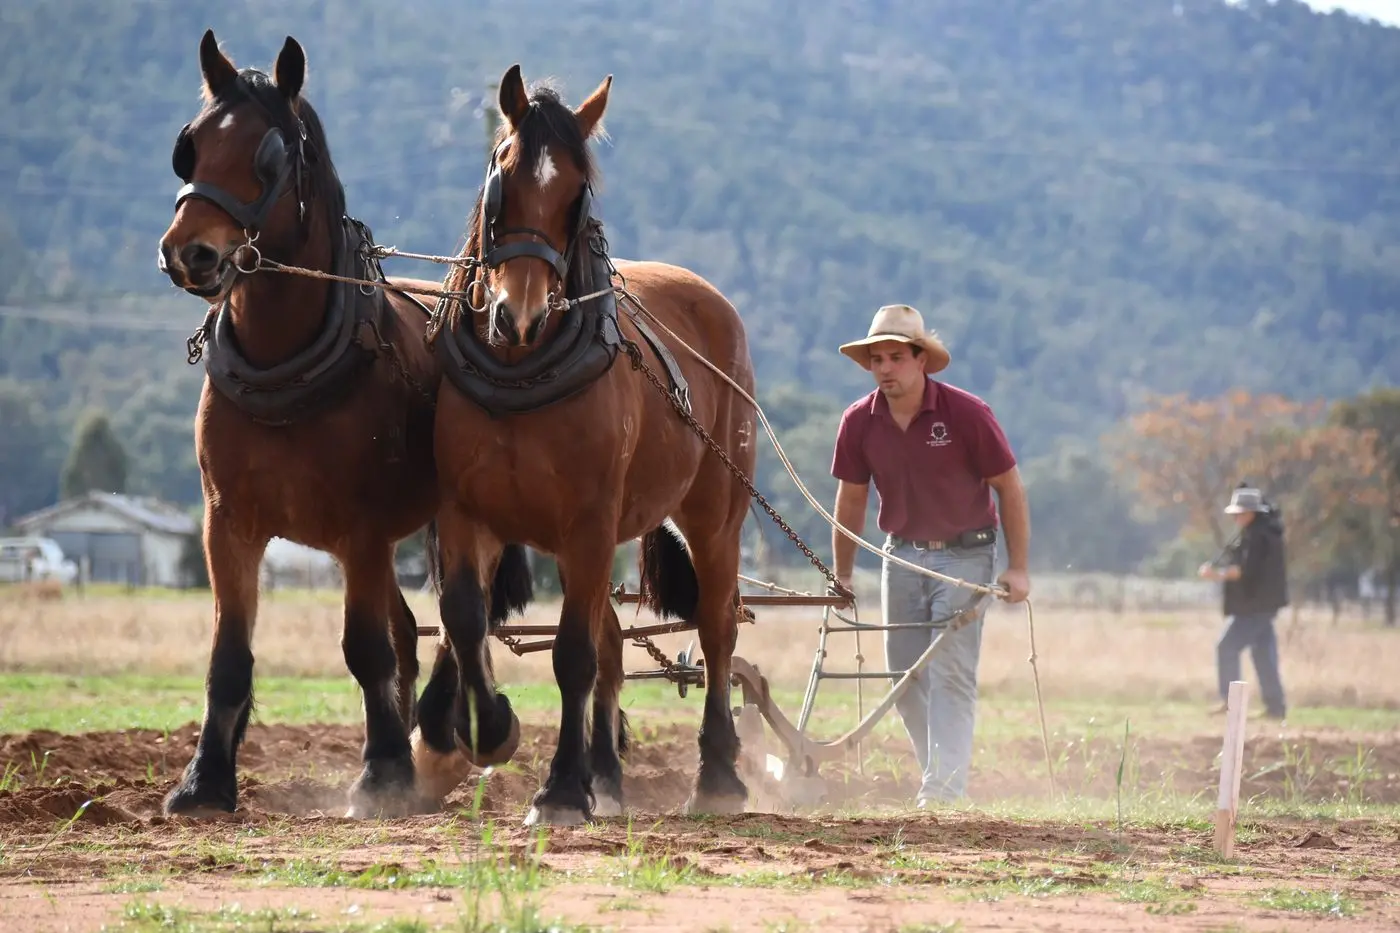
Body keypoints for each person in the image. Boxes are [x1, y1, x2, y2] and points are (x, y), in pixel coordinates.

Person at [828, 303, 1030, 807]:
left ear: (921, 359)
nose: (885, 369)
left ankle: (942, 790)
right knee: (903, 674)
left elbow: (1009, 487)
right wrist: (843, 574)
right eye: (877, 359)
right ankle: (940, 775)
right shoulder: (858, 422)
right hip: (901, 557)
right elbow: (851, 499)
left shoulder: (967, 413)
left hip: (966, 556)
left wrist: (1019, 566)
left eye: (895, 357)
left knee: (951, 672)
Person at [1198, 483, 1289, 721]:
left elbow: (1244, 571)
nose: (1236, 517)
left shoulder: (1258, 537)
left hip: (1254, 608)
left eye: (1240, 513)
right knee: (1263, 655)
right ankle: (1275, 708)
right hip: (1263, 606)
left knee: (1226, 647)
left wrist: (1214, 574)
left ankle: (1231, 704)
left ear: (1252, 513)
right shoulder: (1264, 533)